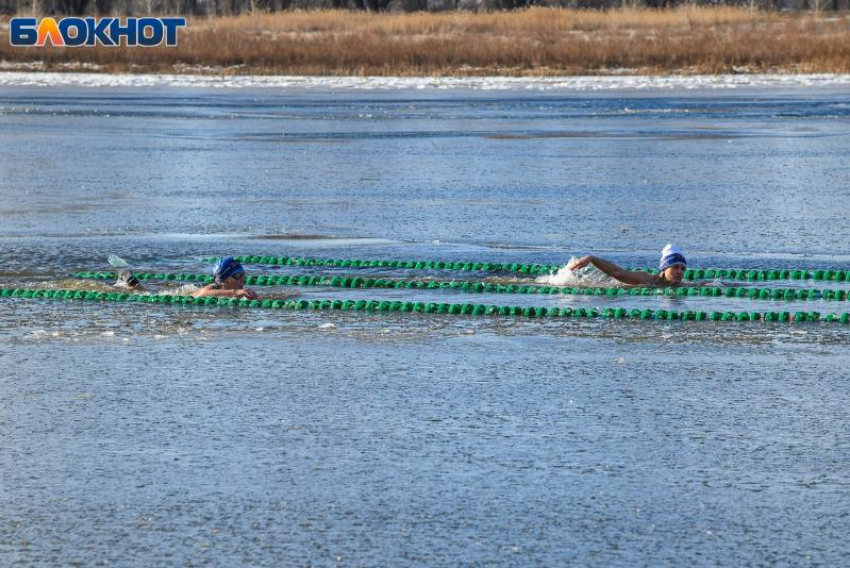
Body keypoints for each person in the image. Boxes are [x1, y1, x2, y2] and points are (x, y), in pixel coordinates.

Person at [567, 244, 688, 287]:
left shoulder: (682, 285)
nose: (680, 272)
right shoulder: (646, 279)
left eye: (683, 268)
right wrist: (591, 258)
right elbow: (616, 272)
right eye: (675, 267)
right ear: (664, 268)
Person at [191, 256, 259, 299]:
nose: (243, 279)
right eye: (238, 275)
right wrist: (236, 292)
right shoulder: (214, 287)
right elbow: (203, 294)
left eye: (243, 274)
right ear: (223, 281)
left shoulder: (243, 293)